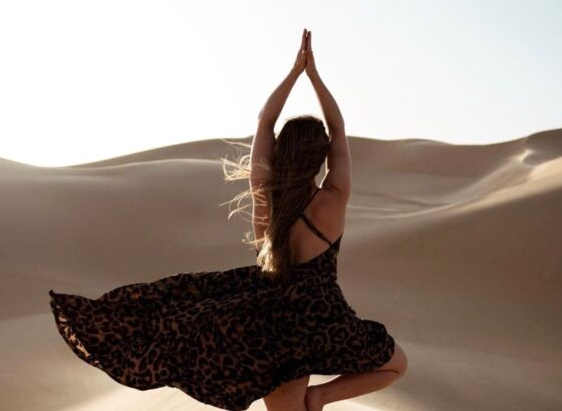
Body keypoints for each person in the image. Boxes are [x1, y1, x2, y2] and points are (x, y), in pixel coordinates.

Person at [48, 28, 407, 411]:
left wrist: (293, 73)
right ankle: (319, 398)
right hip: (321, 322)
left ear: (282, 153)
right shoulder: (332, 200)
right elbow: (338, 129)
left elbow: (264, 122)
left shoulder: (266, 195)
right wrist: (314, 76)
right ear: (322, 158)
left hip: (264, 324)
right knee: (395, 365)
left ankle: (312, 398)